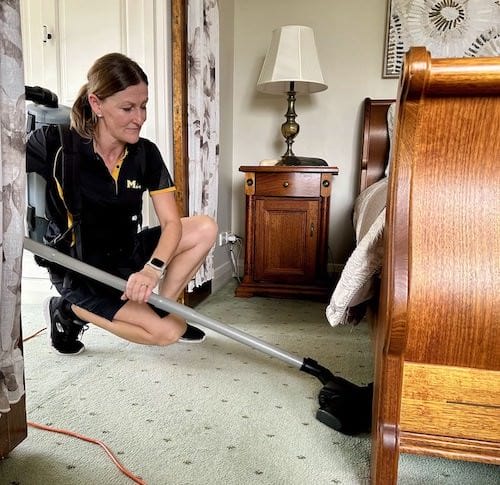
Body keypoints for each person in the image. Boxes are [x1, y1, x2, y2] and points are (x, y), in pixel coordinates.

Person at [26, 52, 218, 355]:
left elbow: (171, 223)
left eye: (143, 106)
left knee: (204, 227)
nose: (139, 118)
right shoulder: (55, 143)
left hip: (126, 255)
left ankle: (162, 308)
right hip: (79, 268)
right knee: (168, 334)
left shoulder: (145, 154)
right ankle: (68, 309)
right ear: (96, 104)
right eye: (128, 108)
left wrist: (152, 271)